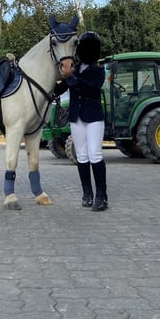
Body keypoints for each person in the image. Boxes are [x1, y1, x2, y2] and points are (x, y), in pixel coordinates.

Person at [55, 31, 108, 211]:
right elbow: (60, 88)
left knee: (95, 154)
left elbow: (91, 89)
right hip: (76, 117)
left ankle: (102, 196)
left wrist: (71, 78)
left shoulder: (99, 70)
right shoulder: (75, 69)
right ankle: (87, 193)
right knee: (82, 156)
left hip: (93, 117)